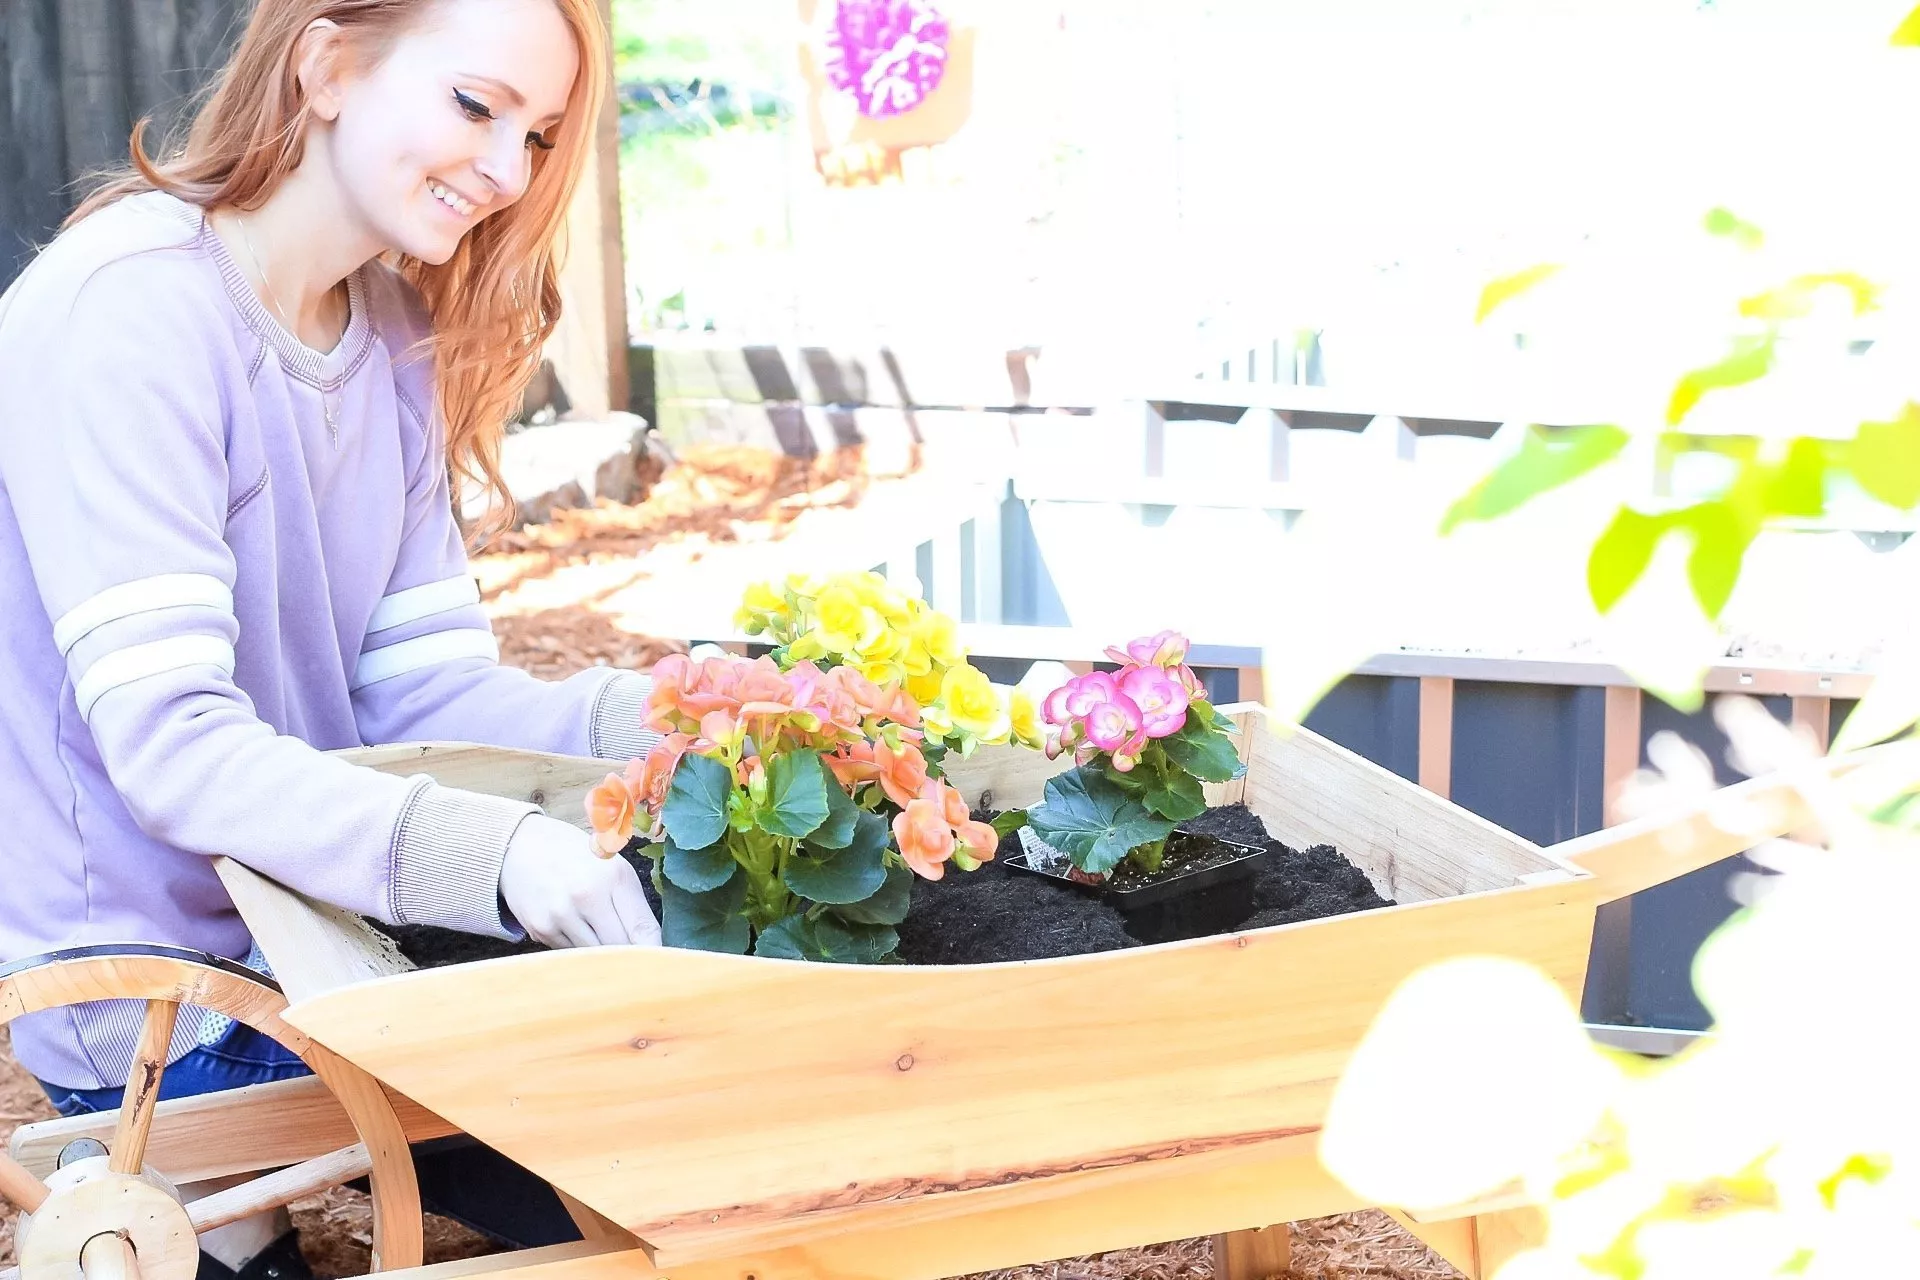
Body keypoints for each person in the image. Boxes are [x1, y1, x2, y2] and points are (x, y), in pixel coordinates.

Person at [0, 1, 663, 1274]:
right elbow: (172, 746)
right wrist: (503, 849)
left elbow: (420, 691)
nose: (504, 168)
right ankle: (222, 1222)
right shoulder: (129, 310)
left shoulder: (395, 337)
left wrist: (664, 723)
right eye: (477, 105)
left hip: (329, 924)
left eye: (537, 134)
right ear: (325, 65)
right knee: (654, 1140)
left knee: (701, 1112)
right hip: (170, 989)